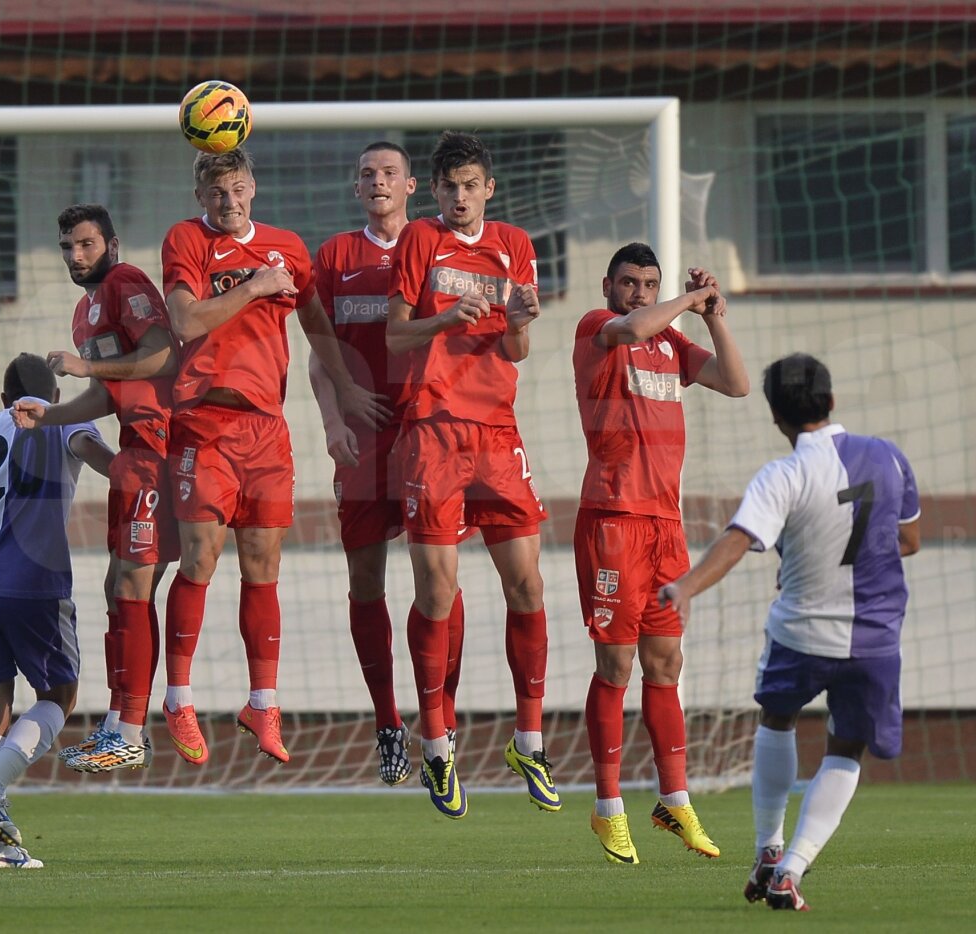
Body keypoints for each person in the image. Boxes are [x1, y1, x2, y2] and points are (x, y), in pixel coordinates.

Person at [660, 353, 921, 911]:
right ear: (830, 401)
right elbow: (909, 539)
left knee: (777, 719)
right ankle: (792, 869)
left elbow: (737, 539)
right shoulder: (890, 458)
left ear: (775, 416)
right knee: (846, 748)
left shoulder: (784, 474)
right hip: (873, 640)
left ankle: (767, 849)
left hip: (800, 634)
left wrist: (685, 587)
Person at [160, 147, 381, 767]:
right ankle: (179, 699)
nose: (227, 202)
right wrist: (256, 285)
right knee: (201, 556)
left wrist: (345, 386)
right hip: (205, 421)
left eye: (236, 189)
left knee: (263, 564)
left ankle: (263, 702)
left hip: (267, 430)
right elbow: (185, 319)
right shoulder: (187, 240)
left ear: (252, 187)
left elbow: (314, 323)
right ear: (200, 197)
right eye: (215, 193)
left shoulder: (288, 246)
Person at [386, 130, 553, 819]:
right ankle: (435, 744)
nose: (460, 197)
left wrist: (519, 322)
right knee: (437, 593)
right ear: (435, 190)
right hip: (433, 431)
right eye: (450, 186)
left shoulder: (514, 244)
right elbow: (395, 334)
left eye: (471, 185)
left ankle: (530, 739)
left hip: (496, 432)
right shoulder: (418, 243)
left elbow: (517, 348)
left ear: (489, 188)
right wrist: (444, 317)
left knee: (528, 584)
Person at [572, 242, 749, 865]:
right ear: (608, 287)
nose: (640, 292)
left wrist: (713, 316)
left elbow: (737, 383)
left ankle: (674, 799)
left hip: (665, 529)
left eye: (650, 283)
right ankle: (607, 808)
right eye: (629, 282)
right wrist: (688, 298)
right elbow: (638, 325)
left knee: (667, 664)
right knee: (615, 667)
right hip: (613, 522)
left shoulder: (671, 345)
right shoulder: (600, 329)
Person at [309, 141, 466, 786]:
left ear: (411, 188)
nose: (378, 182)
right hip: (366, 436)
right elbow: (321, 355)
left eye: (390, 173)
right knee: (366, 580)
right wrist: (334, 419)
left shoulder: (438, 245)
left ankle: (443, 719)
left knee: (440, 578)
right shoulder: (335, 257)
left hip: (429, 429)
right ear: (356, 189)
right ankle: (386, 722)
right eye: (368, 174)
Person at [13, 203, 180, 773]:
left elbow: (161, 355)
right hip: (136, 451)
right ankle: (121, 724)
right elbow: (107, 394)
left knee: (132, 584)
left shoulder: (127, 281)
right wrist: (48, 416)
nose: (75, 256)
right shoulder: (85, 312)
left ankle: (133, 727)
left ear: (110, 242)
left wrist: (85, 370)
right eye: (66, 246)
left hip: (163, 446)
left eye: (85, 244)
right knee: (119, 587)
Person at [0, 353, 114, 868]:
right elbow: (109, 464)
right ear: (56, 398)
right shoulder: (63, 423)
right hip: (34, 585)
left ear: (2, 399)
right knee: (58, 695)